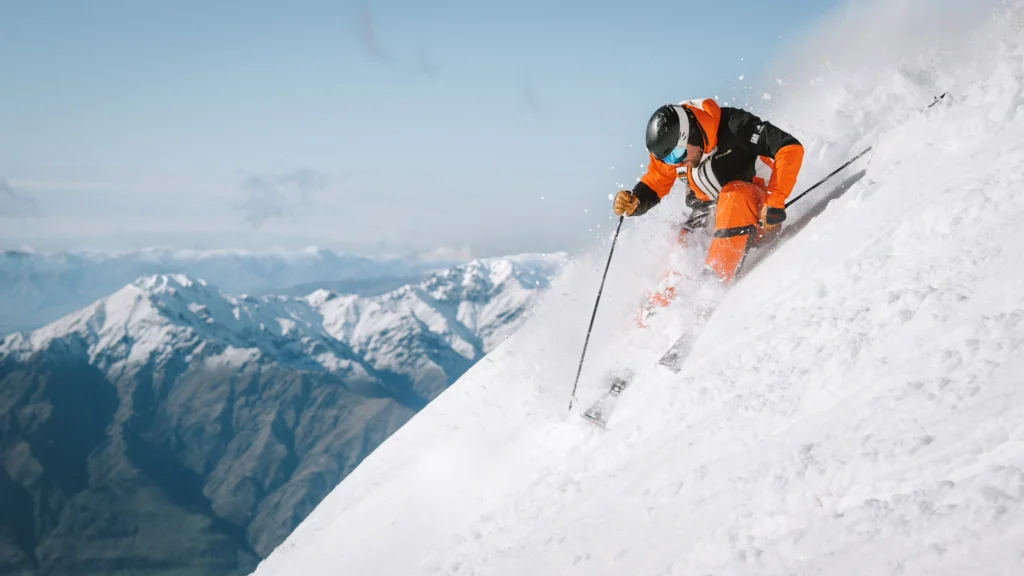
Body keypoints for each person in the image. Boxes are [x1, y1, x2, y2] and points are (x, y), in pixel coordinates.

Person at [613, 98, 805, 283]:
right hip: (711, 220)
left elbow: (789, 148)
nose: (677, 163)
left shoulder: (734, 126)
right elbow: (656, 181)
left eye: (677, 155)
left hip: (760, 217)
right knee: (683, 242)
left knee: (733, 196)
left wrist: (774, 201)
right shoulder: (674, 150)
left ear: (691, 134)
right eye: (670, 160)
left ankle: (711, 285)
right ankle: (660, 307)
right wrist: (636, 201)